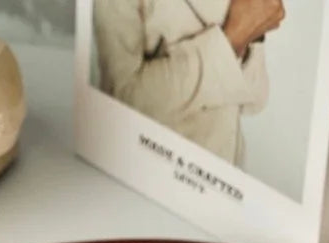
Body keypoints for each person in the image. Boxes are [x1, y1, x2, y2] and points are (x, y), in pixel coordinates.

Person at [94, 0, 285, 165]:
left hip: (228, 174)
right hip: (158, 175)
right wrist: (233, 40)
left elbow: (254, 101)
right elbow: (119, 100)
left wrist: (253, 32)